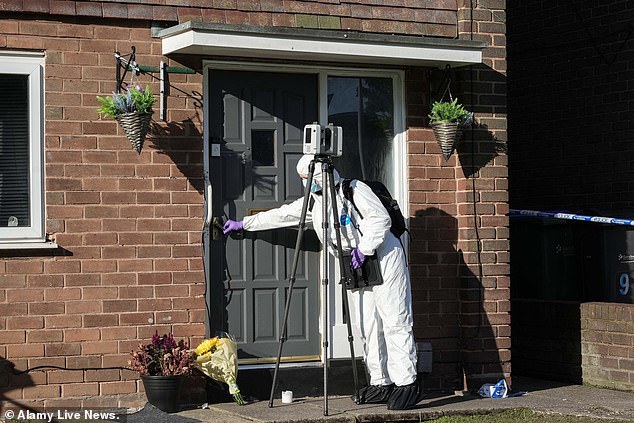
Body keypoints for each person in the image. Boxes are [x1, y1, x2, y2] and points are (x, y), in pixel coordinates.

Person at [223, 154, 422, 410]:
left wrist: (365, 248)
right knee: (366, 324)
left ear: (317, 177)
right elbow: (283, 216)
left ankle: (407, 383)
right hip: (355, 262)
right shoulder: (315, 203)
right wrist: (245, 224)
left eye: (306, 179)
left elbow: (379, 219)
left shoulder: (354, 190)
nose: (304, 184)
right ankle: (381, 382)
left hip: (383, 256)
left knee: (395, 319)